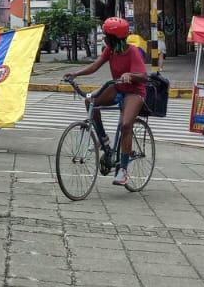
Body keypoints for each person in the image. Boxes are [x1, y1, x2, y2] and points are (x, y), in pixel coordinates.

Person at [63, 17, 148, 187]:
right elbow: (95, 65)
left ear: (115, 37)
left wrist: (130, 75)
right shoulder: (110, 50)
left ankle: (123, 170)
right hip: (117, 87)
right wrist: (76, 74)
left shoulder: (132, 52)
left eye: (106, 35)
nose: (104, 38)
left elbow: (144, 76)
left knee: (125, 125)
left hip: (134, 92)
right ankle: (105, 141)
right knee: (90, 101)